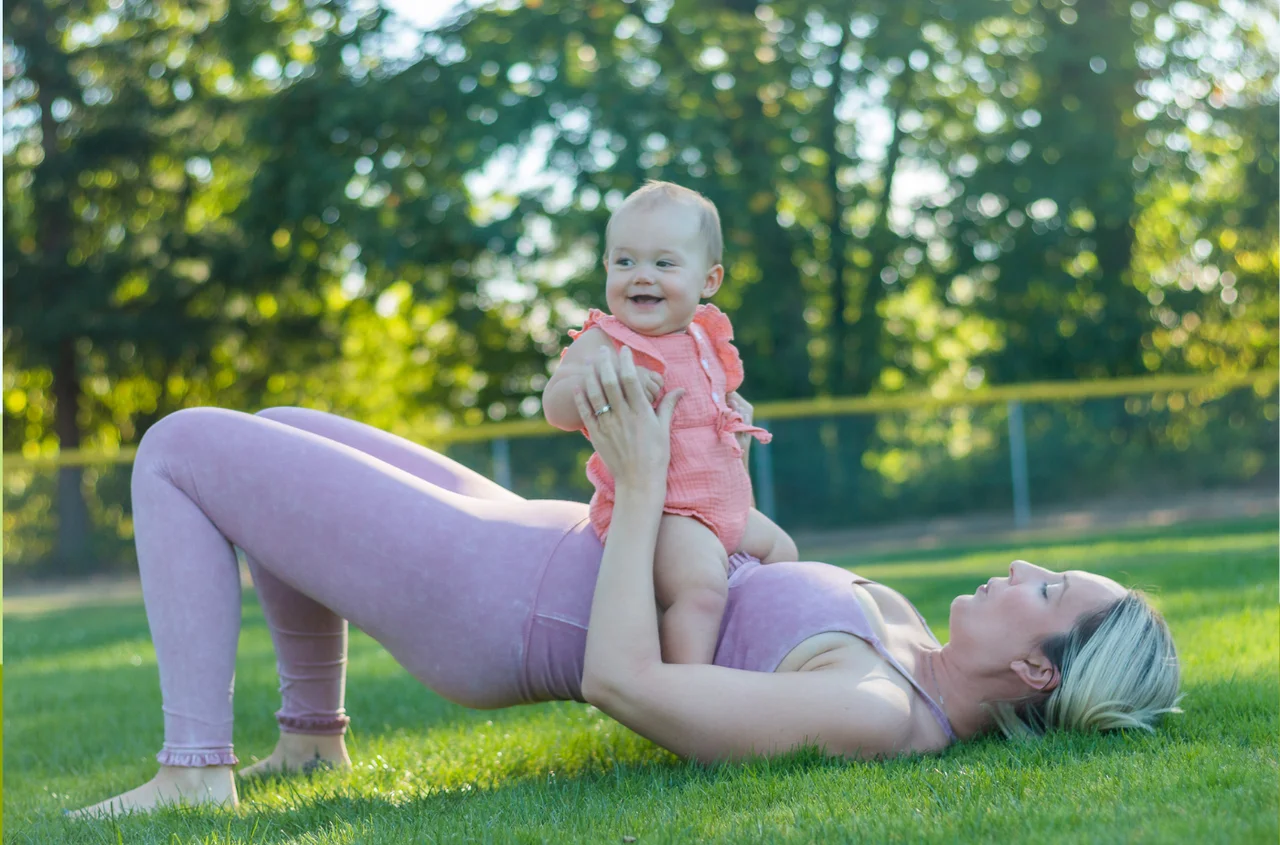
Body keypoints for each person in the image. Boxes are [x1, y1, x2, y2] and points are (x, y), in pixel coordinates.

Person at [71, 346, 1181, 818]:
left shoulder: (873, 707)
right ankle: (309, 736)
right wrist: (712, 457)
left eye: (1048, 587)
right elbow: (758, 574)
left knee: (180, 445)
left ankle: (194, 767)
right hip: (531, 534)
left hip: (490, 598)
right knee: (276, 431)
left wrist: (645, 483)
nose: (1023, 567)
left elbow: (623, 680)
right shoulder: (897, 641)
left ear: (1036, 666)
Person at [543, 180, 798, 664]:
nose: (642, 276)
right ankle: (683, 691)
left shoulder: (704, 337)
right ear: (606, 268)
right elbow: (554, 405)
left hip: (724, 506)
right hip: (663, 513)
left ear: (709, 281)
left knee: (784, 554)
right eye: (625, 261)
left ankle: (757, 659)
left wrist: (733, 410)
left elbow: (707, 402)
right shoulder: (607, 341)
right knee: (700, 589)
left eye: (664, 263)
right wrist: (612, 384)